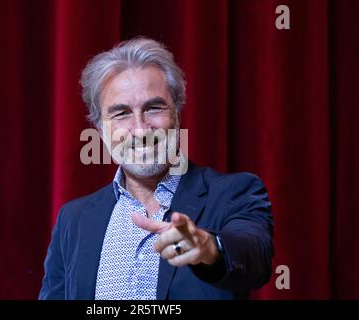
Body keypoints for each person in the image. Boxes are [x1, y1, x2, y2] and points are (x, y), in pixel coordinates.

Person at [39, 37, 274, 300]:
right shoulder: (73, 219)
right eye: (121, 114)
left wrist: (210, 248)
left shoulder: (234, 192)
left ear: (177, 115)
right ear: (101, 130)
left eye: (154, 108)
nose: (140, 129)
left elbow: (255, 258)